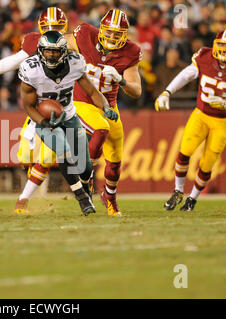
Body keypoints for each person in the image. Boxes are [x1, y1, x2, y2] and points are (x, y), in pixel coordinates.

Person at [0, 7, 70, 214]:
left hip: (65, 108)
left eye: (57, 27)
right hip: (37, 108)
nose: (53, 31)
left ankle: (24, 200)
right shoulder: (34, 42)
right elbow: (14, 61)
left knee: (46, 158)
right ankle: (38, 183)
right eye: (49, 27)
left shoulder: (75, 46)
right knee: (25, 156)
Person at [18, 30, 118, 216]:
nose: (51, 55)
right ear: (40, 50)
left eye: (55, 51)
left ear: (64, 51)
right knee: (63, 150)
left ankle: (85, 188)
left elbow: (92, 92)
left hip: (69, 115)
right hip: (44, 119)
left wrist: (105, 107)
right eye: (47, 51)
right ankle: (82, 198)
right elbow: (29, 106)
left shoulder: (75, 63)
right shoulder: (31, 69)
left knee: (85, 167)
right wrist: (44, 122)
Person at [155, 29, 226, 211]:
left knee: (207, 163)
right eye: (222, 45)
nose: (225, 50)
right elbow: (186, 75)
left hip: (223, 122)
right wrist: (167, 92)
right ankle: (177, 191)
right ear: (215, 45)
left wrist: (225, 105)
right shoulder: (204, 56)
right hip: (201, 115)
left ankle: (192, 198)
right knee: (184, 151)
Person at [65, 9, 142, 216]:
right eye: (109, 32)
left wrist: (121, 79)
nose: (112, 37)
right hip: (82, 101)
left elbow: (136, 90)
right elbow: (59, 42)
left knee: (115, 160)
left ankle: (110, 198)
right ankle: (86, 182)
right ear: (101, 29)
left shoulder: (131, 51)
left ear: (125, 35)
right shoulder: (85, 35)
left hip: (109, 107)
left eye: (118, 34)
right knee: (101, 129)